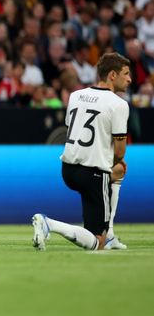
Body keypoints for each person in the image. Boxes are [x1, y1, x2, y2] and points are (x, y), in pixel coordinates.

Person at [32, 53, 131, 252]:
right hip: (93, 173)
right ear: (112, 75)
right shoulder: (119, 104)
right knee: (97, 243)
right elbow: (119, 151)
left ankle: (109, 234)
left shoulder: (75, 95)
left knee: (118, 171)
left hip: (68, 169)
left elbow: (72, 130)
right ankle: (49, 223)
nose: (130, 79)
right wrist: (110, 161)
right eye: (126, 74)